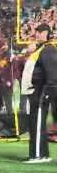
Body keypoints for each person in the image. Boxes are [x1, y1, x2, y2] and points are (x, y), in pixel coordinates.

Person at [21, 23, 57, 163]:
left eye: (41, 32)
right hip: (36, 92)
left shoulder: (48, 50)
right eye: (37, 32)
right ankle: (43, 154)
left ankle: (37, 155)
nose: (37, 34)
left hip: (40, 92)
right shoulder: (40, 49)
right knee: (37, 124)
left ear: (47, 33)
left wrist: (47, 93)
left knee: (36, 123)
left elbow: (52, 74)